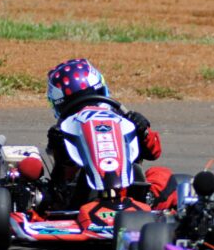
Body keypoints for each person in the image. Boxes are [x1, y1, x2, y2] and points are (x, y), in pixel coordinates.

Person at [42, 58, 177, 212]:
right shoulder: (64, 131)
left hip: (127, 189)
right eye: (76, 103)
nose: (87, 108)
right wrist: (62, 152)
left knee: (162, 175)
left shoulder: (121, 120)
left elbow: (154, 152)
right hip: (79, 197)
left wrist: (142, 130)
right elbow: (60, 179)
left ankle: (147, 201)